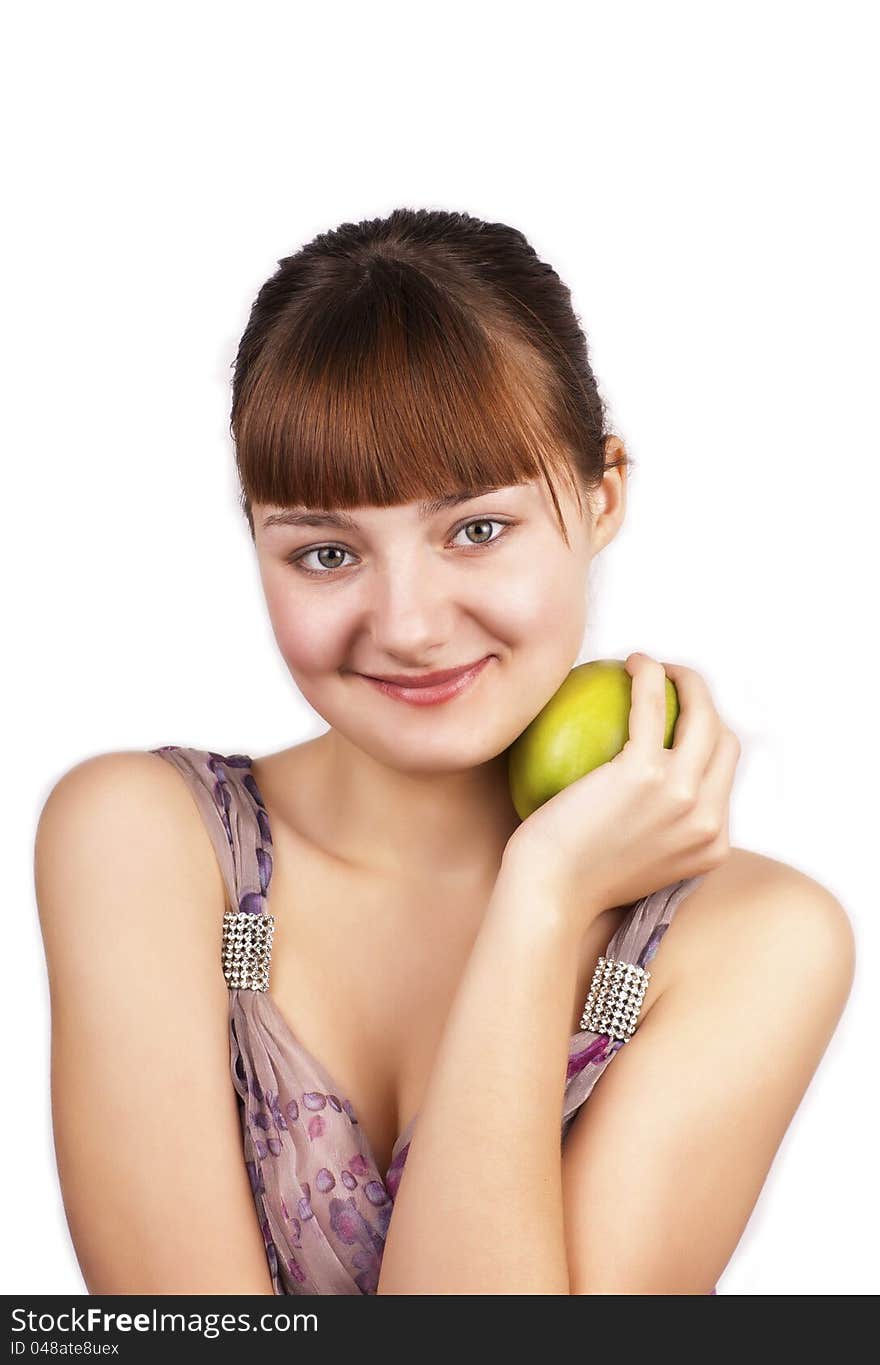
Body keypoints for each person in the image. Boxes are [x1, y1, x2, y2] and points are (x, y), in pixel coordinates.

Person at [33, 207, 855, 1296]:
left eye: (476, 529)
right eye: (325, 552)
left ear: (602, 495)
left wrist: (542, 897)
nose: (409, 625)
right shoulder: (143, 840)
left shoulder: (758, 944)